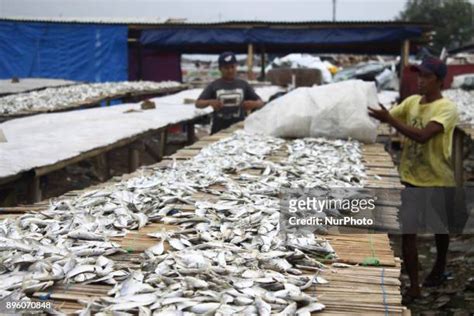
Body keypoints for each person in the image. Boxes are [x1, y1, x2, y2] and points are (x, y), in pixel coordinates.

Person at [368, 57, 459, 301]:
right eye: (419, 76)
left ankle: (439, 266)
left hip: (439, 177)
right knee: (408, 233)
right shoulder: (411, 102)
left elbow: (422, 136)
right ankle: (415, 286)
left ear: (439, 81)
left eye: (426, 77)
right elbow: (386, 116)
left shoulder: (446, 108)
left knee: (441, 229)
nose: (420, 81)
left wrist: (390, 120)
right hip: (411, 177)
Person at [195, 52, 264, 134]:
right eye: (226, 68)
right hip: (218, 130)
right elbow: (198, 103)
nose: (230, 70)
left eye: (232, 67)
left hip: (239, 130)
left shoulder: (243, 85)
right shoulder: (214, 85)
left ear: (236, 67)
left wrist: (253, 104)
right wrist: (210, 102)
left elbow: (261, 103)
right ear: (220, 69)